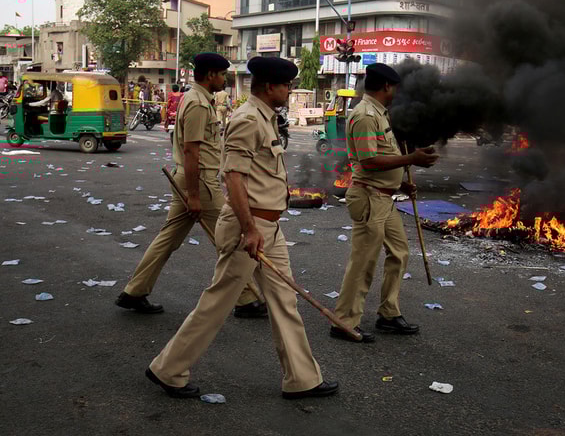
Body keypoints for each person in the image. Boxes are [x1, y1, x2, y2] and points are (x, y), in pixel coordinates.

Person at [146, 56, 339, 400]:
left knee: (284, 300)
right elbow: (233, 177)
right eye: (286, 86)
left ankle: (302, 379)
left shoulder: (266, 118)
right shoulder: (248, 119)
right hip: (247, 228)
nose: (289, 91)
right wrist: (250, 229)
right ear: (269, 87)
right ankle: (168, 369)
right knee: (218, 302)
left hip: (268, 227)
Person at [116, 53, 265, 318]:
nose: (224, 79)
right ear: (210, 75)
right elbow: (191, 150)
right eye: (222, 74)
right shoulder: (197, 103)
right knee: (228, 238)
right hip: (200, 182)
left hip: (188, 179)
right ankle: (246, 299)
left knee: (168, 239)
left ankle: (134, 291)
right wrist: (194, 196)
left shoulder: (196, 98)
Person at [330, 63, 439, 343]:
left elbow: (381, 156)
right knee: (363, 263)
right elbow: (368, 161)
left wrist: (399, 184)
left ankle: (388, 314)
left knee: (399, 252)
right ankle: (344, 322)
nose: (396, 93)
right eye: (395, 88)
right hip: (369, 198)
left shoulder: (379, 113)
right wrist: (411, 159)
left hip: (383, 197)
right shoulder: (366, 115)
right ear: (387, 86)